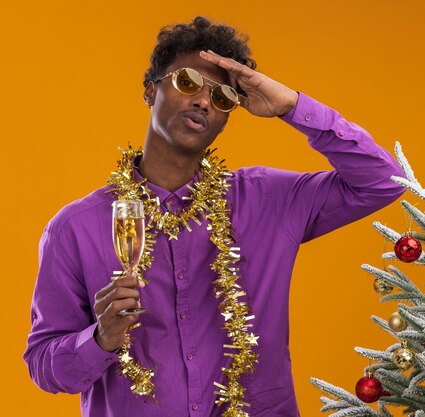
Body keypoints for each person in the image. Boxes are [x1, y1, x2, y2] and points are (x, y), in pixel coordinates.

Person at [24, 16, 405, 417]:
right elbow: (45, 368)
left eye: (223, 97)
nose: (204, 101)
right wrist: (100, 338)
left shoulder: (269, 200)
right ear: (151, 90)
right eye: (188, 82)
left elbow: (384, 180)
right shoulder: (75, 228)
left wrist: (291, 105)